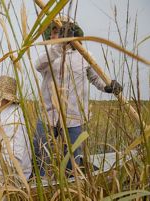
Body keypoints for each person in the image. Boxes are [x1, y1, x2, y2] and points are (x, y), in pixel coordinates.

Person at [33, 16, 123, 176]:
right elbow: (38, 65)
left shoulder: (84, 55)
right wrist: (60, 46)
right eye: (53, 33)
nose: (54, 36)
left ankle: (71, 184)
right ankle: (39, 184)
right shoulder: (49, 54)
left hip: (74, 118)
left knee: (73, 158)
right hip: (48, 115)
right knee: (40, 154)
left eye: (59, 32)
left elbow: (96, 78)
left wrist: (109, 87)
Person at [0, 75, 32, 185]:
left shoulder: (13, 120)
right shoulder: (1, 112)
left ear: (2, 96)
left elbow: (13, 159)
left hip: (9, 178)